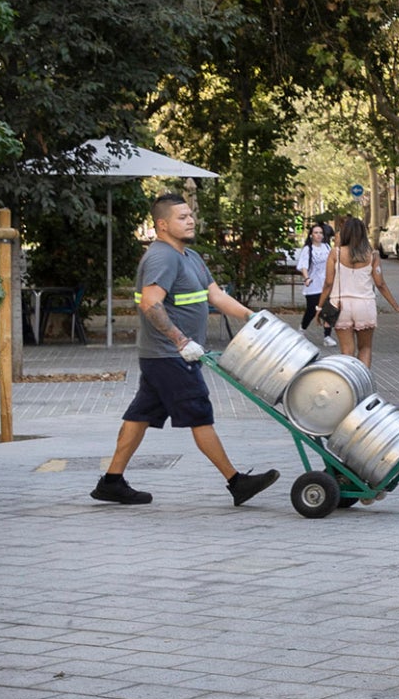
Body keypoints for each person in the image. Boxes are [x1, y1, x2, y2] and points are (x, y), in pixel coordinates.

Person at [90, 191, 280, 506]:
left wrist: (253, 318)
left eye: (191, 215)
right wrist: (181, 341)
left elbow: (215, 296)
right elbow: (151, 303)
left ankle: (112, 481)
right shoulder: (161, 257)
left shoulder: (189, 256)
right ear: (162, 225)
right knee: (199, 414)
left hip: (164, 356)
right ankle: (237, 483)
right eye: (182, 217)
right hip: (171, 355)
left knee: (140, 416)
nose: (190, 220)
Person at [327, 216, 399, 368]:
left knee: (347, 351)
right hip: (365, 305)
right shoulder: (372, 255)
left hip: (340, 305)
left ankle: (348, 385)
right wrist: (396, 306)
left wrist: (319, 307)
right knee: (365, 348)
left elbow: (328, 283)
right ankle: (363, 384)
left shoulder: (335, 253)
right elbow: (380, 284)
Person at [295, 222, 333, 334]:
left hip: (326, 283)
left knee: (328, 310)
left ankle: (327, 336)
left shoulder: (327, 247)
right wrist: (307, 278)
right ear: (311, 235)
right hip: (313, 284)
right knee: (312, 309)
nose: (319, 235)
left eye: (321, 233)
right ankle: (302, 328)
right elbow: (303, 265)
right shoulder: (308, 249)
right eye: (316, 233)